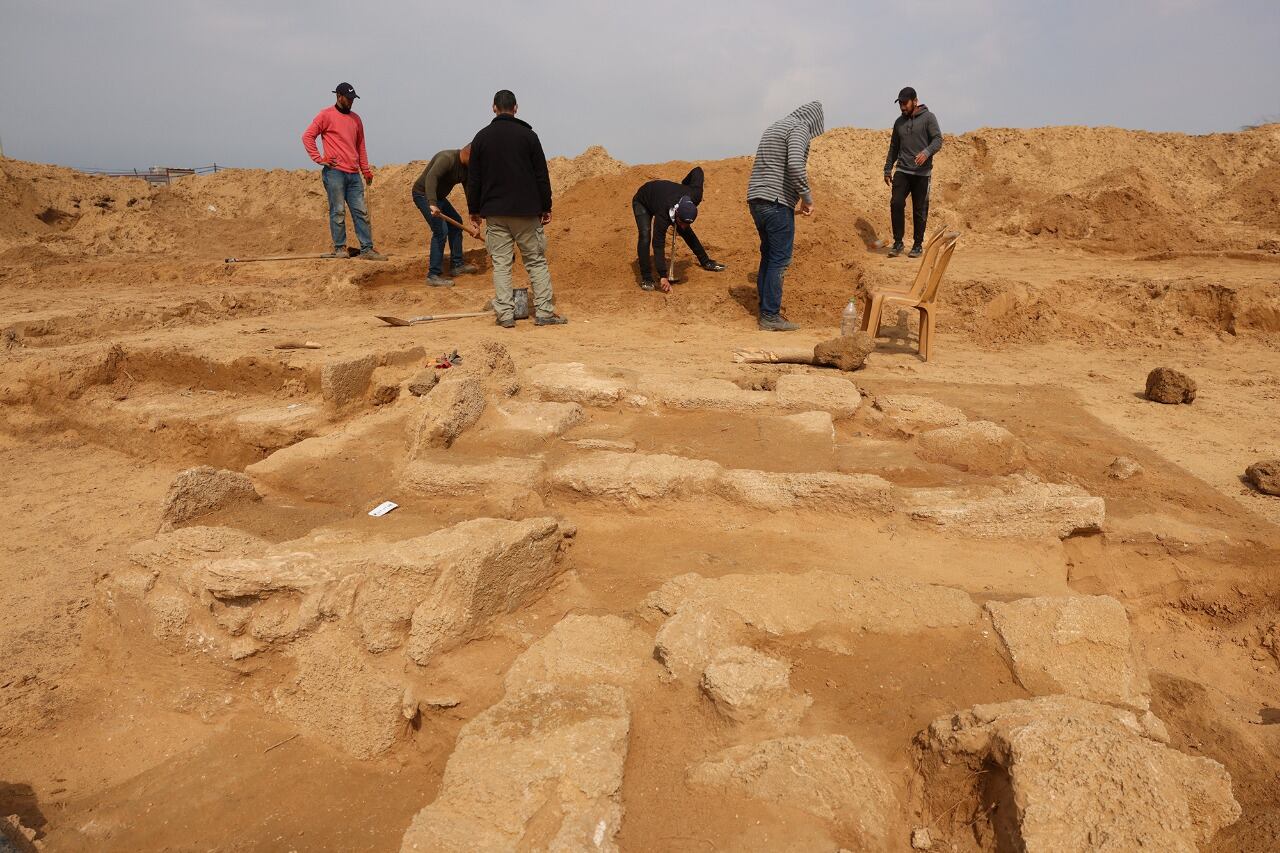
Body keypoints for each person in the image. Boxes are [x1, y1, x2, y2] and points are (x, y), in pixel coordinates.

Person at [466, 89, 566, 328]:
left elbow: (474, 179)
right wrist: (546, 206)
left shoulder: (481, 138)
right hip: (526, 212)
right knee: (535, 261)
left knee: (501, 264)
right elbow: (542, 175)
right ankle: (544, 312)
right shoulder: (529, 136)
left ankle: (506, 315)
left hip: (495, 213)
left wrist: (474, 210)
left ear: (493, 108)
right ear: (516, 108)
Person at [746, 101, 825, 331]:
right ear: (813, 122)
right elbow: (795, 166)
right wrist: (807, 199)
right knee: (779, 260)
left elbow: (772, 166)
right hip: (776, 203)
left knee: (769, 256)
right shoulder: (799, 128)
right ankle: (770, 316)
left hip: (756, 200)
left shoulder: (775, 127)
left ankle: (765, 310)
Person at [302, 82, 386, 260]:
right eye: (348, 98)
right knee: (338, 211)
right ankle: (340, 248)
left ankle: (367, 249)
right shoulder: (325, 115)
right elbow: (307, 136)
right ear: (339, 97)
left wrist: (366, 170)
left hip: (354, 174)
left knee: (361, 211)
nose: (351, 102)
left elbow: (360, 146)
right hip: (335, 173)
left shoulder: (356, 119)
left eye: (353, 99)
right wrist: (320, 159)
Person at [632, 167, 726, 292]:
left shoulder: (695, 195)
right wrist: (663, 276)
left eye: (687, 223)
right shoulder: (663, 214)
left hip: (666, 198)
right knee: (645, 235)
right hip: (643, 200)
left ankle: (706, 262)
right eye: (681, 222)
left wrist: (684, 185)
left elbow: (697, 171)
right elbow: (658, 244)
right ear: (676, 212)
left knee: (686, 232)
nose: (682, 226)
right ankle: (647, 277)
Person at [883, 86, 943, 258]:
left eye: (905, 103)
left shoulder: (928, 118)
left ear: (915, 101)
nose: (902, 106)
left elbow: (938, 140)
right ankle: (898, 242)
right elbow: (894, 146)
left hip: (922, 173)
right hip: (902, 169)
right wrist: (888, 168)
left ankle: (917, 245)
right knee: (896, 203)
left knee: (919, 209)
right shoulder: (899, 122)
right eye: (900, 103)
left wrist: (926, 152)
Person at [411, 146, 481, 286]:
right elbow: (431, 178)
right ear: (468, 153)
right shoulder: (447, 158)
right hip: (423, 194)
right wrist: (432, 203)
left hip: (439, 197)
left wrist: (473, 212)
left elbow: (468, 188)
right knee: (440, 231)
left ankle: (457, 265)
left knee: (456, 223)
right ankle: (433, 275)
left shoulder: (467, 168)